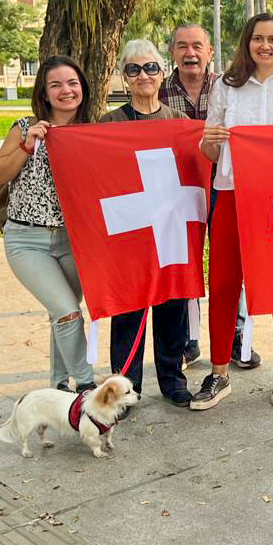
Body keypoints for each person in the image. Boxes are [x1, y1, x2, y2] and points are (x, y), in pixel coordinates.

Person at [194, 13, 273, 411]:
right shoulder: (226, 89)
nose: (266, 46)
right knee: (226, 281)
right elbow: (211, 153)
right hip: (231, 193)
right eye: (259, 39)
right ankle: (218, 372)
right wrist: (209, 141)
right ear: (247, 43)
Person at [0, 55, 97, 393]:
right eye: (56, 85)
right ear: (45, 93)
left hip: (73, 240)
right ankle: (86, 386)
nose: (66, 90)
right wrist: (27, 144)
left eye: (72, 83)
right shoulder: (25, 127)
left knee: (61, 313)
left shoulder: (93, 132)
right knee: (68, 313)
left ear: (83, 88)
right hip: (27, 240)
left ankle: (57, 387)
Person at [161, 23, 260, 372]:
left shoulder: (229, 87)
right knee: (185, 260)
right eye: (183, 46)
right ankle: (189, 340)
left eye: (197, 46)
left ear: (209, 52)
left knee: (234, 263)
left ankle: (235, 336)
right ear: (173, 52)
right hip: (178, 189)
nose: (190, 53)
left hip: (222, 185)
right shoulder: (159, 92)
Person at [98, 39, 191, 408]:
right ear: (124, 76)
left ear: (162, 72)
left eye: (151, 67)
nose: (143, 76)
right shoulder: (109, 124)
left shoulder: (179, 123)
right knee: (129, 312)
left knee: (172, 307)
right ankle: (125, 387)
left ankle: (172, 378)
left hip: (168, 231)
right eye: (134, 69)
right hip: (129, 230)